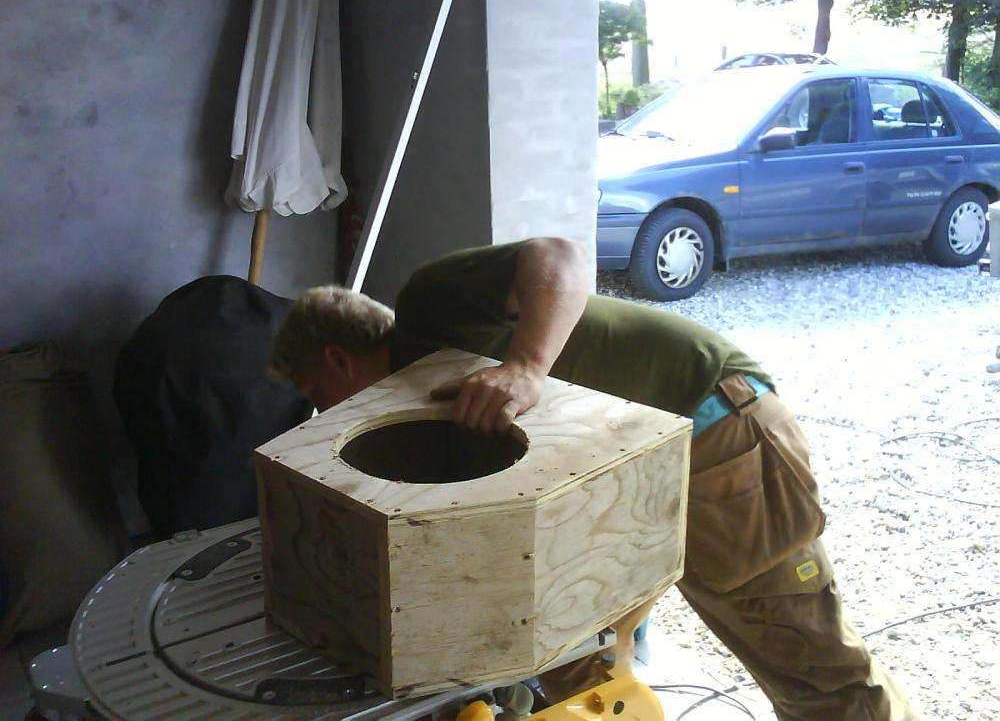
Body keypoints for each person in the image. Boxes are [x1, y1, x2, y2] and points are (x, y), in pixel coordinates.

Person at [269, 238, 920, 720]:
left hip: (712, 427)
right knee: (576, 668)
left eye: (317, 394)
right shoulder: (419, 412)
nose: (326, 415)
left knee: (810, 665)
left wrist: (527, 365)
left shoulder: (429, 309)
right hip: (631, 469)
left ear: (338, 358)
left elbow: (561, 256)